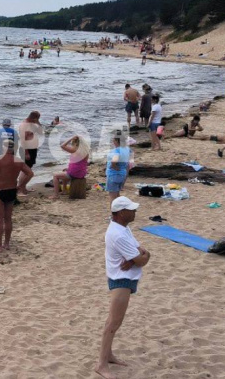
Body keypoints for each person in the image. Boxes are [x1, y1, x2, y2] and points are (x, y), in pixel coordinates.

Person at [95, 197, 150, 379]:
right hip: (121, 280)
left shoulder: (123, 228)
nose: (135, 212)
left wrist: (139, 256)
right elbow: (142, 259)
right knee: (113, 322)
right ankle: (101, 364)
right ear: (120, 213)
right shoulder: (118, 233)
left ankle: (108, 355)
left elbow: (141, 252)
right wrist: (139, 258)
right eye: (131, 210)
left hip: (123, 278)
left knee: (114, 322)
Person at [0, 140, 33, 252]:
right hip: (12, 191)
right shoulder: (18, 161)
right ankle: (6, 243)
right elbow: (30, 173)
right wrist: (20, 186)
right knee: (8, 219)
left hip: (0, 192)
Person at [18, 111, 44, 193]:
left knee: (28, 168)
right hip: (27, 149)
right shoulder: (24, 125)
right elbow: (22, 140)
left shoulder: (33, 124)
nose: (37, 120)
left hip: (33, 148)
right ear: (33, 118)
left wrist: (38, 122)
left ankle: (23, 187)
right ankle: (20, 188)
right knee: (26, 169)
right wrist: (26, 153)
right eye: (37, 119)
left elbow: (41, 132)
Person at [106, 133, 133, 200]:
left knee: (113, 197)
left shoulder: (117, 150)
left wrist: (114, 166)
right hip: (122, 174)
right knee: (117, 196)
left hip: (113, 175)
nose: (113, 141)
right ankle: (119, 210)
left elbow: (114, 160)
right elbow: (128, 164)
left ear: (117, 141)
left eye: (114, 140)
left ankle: (114, 210)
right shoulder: (127, 149)